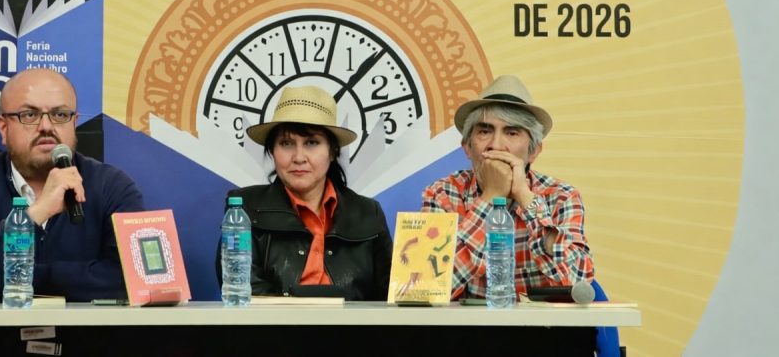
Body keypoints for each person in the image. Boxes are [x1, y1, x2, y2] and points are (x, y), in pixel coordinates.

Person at [0, 68, 145, 357]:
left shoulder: (112, 187)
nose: (46, 126)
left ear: (74, 123)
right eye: (29, 115)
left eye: (60, 114)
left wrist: (15, 266)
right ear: (3, 128)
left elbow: (132, 281)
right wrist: (36, 213)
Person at [422, 74, 594, 300]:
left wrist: (525, 198)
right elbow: (427, 286)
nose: (496, 145)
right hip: (468, 323)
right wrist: (490, 197)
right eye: (485, 131)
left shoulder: (561, 196)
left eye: (512, 133)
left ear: (533, 151)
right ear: (467, 147)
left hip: (542, 323)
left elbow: (578, 285)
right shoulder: (442, 194)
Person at [220, 85, 393, 300]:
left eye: (312, 143)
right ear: (272, 151)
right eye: (286, 143)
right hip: (271, 322)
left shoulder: (368, 212)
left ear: (332, 152)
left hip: (353, 323)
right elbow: (242, 288)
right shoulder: (245, 208)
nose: (299, 157)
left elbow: (391, 295)